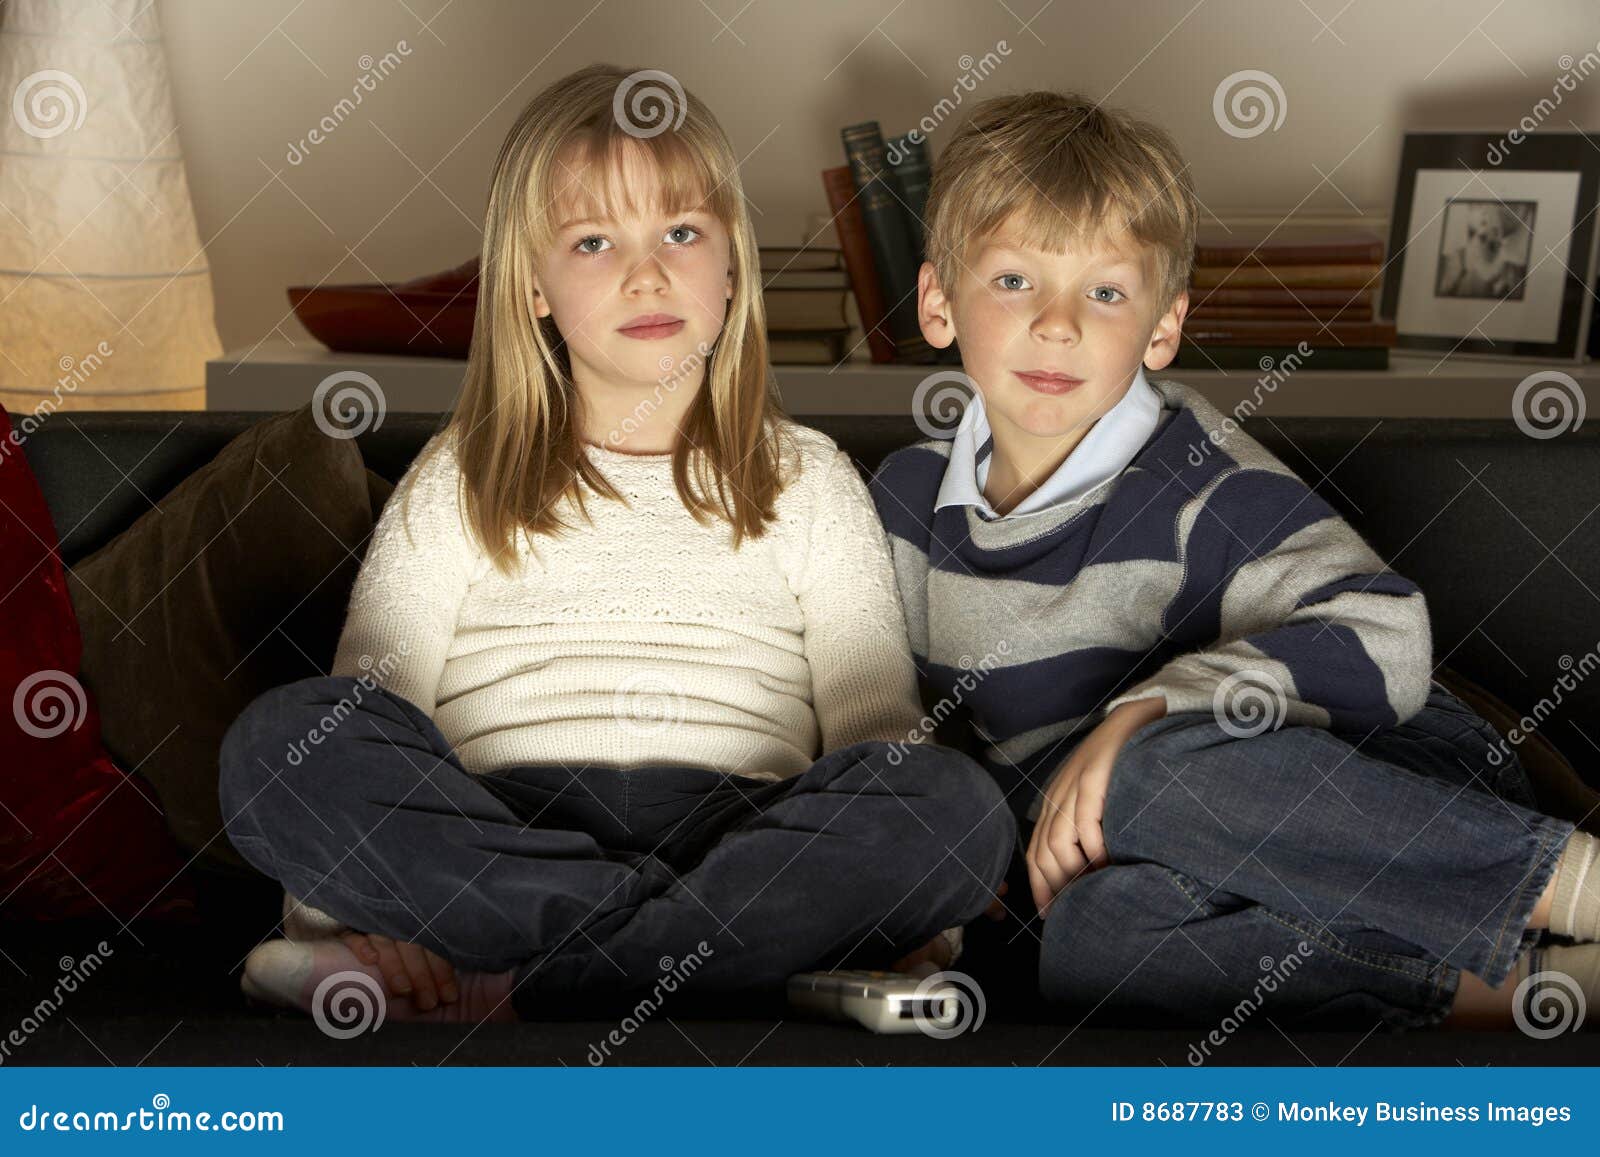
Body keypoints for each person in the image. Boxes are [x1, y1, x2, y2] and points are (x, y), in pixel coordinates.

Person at [218, 62, 1013, 1026]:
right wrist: (356, 905)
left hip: (741, 835)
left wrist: (919, 908)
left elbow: (873, 724)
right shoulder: (465, 468)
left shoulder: (809, 476)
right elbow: (373, 702)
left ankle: (520, 980)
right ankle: (718, 962)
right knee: (279, 746)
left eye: (682, 232)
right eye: (593, 241)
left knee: (954, 808)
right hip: (502, 829)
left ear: (731, 267)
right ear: (533, 286)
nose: (648, 273)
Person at [868, 89, 1600, 1032]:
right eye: (1014, 280)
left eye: (1104, 292)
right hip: (1184, 856)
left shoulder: (1194, 478)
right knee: (1088, 938)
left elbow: (1390, 633)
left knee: (1148, 774)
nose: (1058, 324)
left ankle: (1575, 888)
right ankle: (1536, 987)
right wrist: (931, 897)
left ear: (1162, 328)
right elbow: (917, 737)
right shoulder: (906, 504)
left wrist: (1146, 711)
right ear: (937, 302)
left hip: (1383, 783)